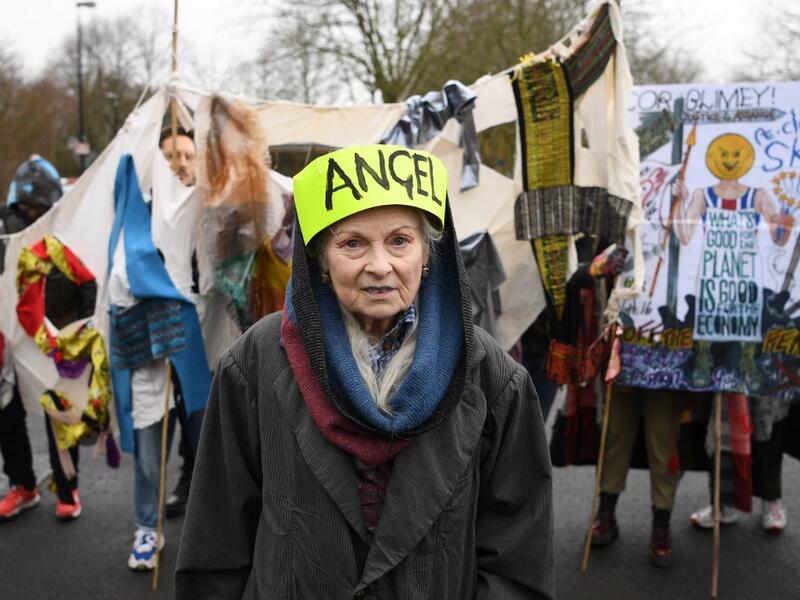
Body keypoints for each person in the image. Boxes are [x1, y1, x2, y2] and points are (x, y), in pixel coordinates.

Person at [176, 144, 554, 598]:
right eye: (352, 243)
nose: (380, 266)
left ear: (428, 253)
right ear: (318, 259)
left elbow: (517, 564)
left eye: (400, 240)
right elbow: (215, 550)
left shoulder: (492, 379)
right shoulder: (254, 364)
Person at [0, 155, 90, 521]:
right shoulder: (6, 234)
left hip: (59, 332)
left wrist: (81, 327)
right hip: (12, 336)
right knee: (6, 410)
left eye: (40, 207)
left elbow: (87, 279)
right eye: (27, 207)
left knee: (61, 410)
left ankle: (68, 486)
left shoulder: (67, 233)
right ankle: (23, 484)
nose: (32, 213)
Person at [590, 385, 686, 568]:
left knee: (663, 445)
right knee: (615, 437)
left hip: (666, 372)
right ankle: (606, 512)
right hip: (623, 368)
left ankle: (662, 522)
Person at [157, 126, 199, 518]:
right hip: (165, 324)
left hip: (209, 326)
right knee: (172, 408)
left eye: (187, 155)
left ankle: (200, 481)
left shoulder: (209, 204)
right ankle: (182, 481)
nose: (180, 164)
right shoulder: (149, 212)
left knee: (203, 412)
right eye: (171, 156)